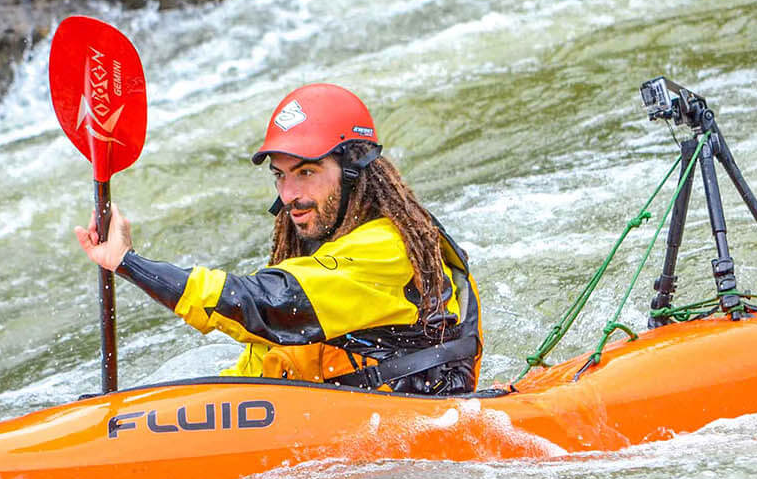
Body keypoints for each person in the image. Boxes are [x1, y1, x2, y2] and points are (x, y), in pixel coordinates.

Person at [74, 83, 482, 394]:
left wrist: (129, 262)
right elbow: (269, 352)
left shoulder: (385, 248)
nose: (289, 196)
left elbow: (265, 305)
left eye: (306, 172)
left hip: (415, 439)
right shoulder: (327, 241)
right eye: (281, 175)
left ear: (355, 171)